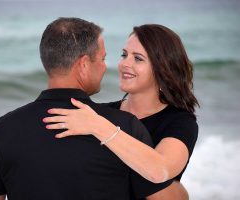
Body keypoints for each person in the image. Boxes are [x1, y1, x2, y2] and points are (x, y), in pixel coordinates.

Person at [0, 18, 173, 200]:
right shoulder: (125, 128)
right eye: (102, 59)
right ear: (84, 64)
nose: (106, 67)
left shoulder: (2, 130)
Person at [43, 24, 199, 199]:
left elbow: (159, 171)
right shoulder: (100, 114)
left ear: (162, 68)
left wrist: (99, 127)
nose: (124, 64)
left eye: (138, 58)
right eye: (124, 55)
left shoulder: (180, 121)